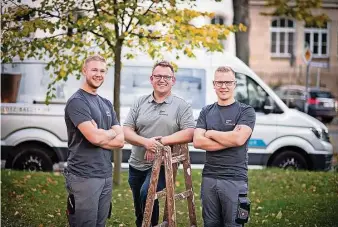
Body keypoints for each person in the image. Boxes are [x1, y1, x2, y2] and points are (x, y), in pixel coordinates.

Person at [123, 60, 195, 227]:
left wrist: (160, 143)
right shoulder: (140, 102)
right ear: (151, 79)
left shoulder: (181, 106)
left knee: (146, 193)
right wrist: (146, 143)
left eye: (166, 77)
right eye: (158, 76)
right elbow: (126, 131)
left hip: (163, 164)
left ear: (173, 80)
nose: (162, 80)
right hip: (137, 164)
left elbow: (190, 132)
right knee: (140, 208)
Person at [64, 55, 124, 227]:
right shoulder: (77, 102)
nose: (99, 74)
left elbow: (120, 141)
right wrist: (109, 133)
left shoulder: (106, 103)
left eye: (102, 71)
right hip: (84, 177)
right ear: (84, 71)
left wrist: (102, 134)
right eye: (94, 70)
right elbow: (94, 137)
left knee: (100, 224)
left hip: (105, 175)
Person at [193, 66, 256, 227]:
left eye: (228, 82)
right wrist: (229, 139)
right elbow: (198, 142)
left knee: (233, 224)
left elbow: (239, 139)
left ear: (235, 84)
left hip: (234, 179)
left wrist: (211, 133)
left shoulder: (246, 111)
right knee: (210, 224)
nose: (223, 86)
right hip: (209, 178)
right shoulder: (206, 111)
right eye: (219, 82)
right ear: (214, 84)